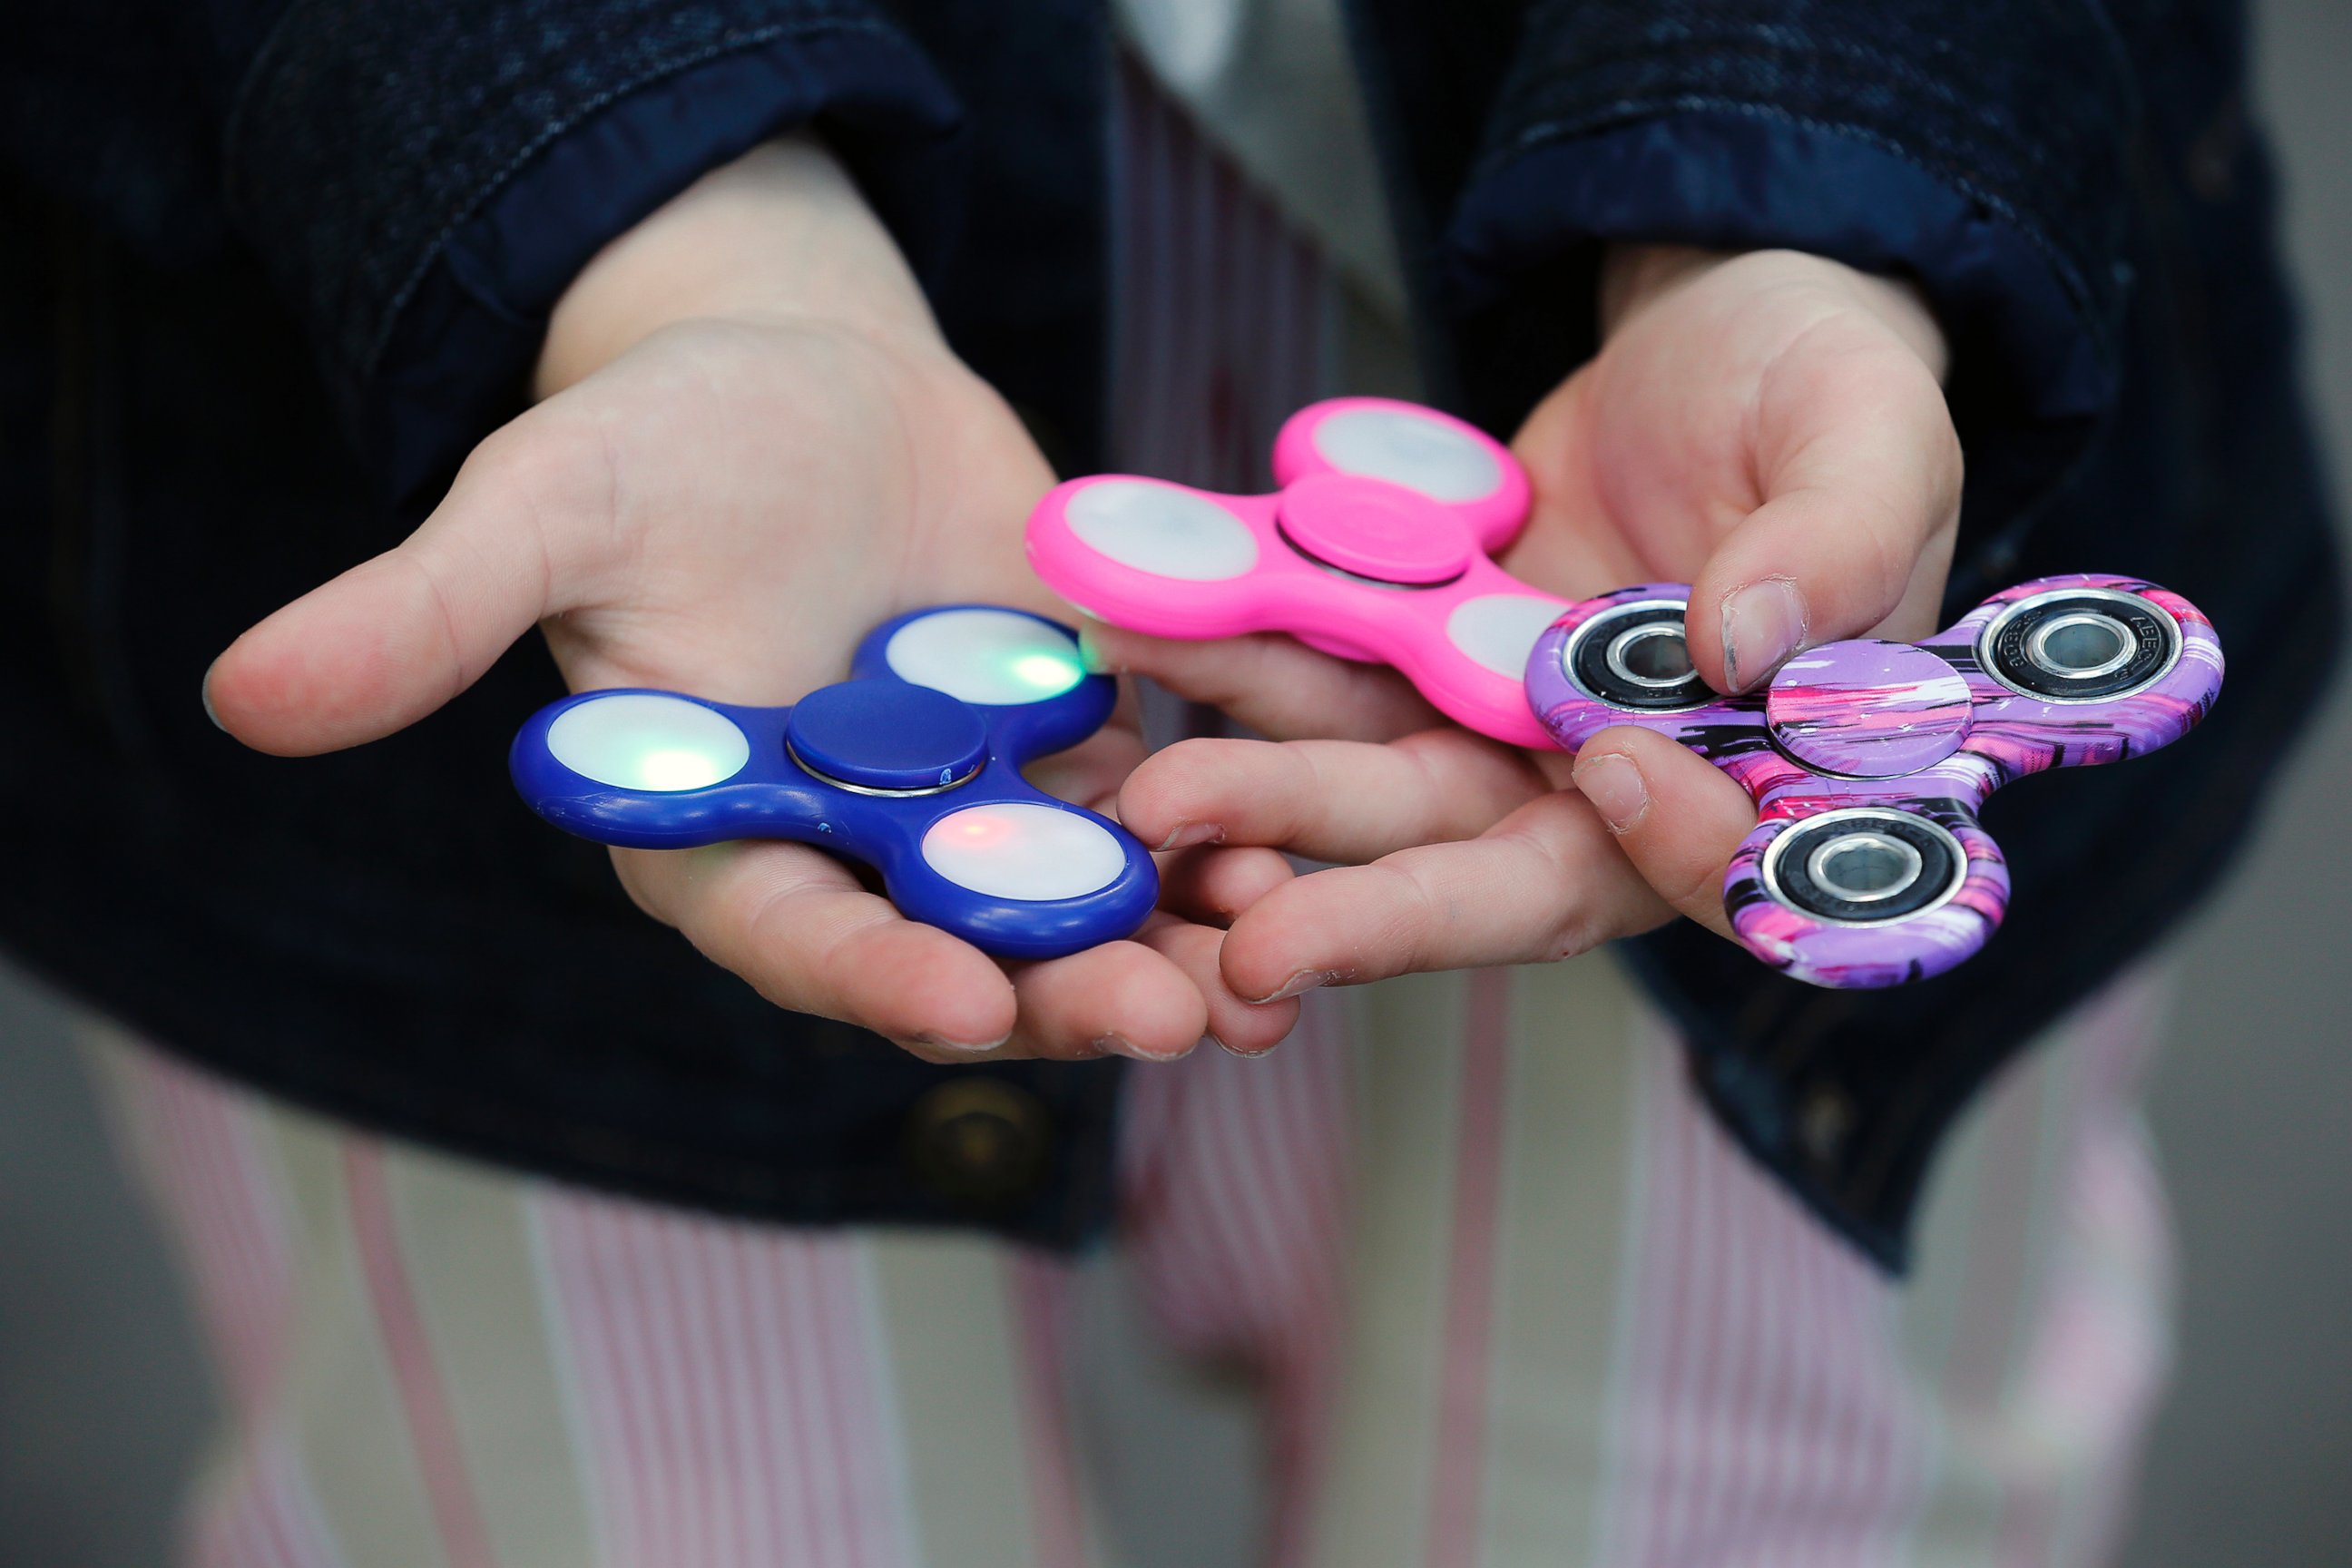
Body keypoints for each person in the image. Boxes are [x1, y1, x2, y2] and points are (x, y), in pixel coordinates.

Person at [2, 0, 2339, 1563]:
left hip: (1733, 463)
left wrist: (1801, 162)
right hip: (491, 422)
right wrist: (646, 210)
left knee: (1747, 1503)